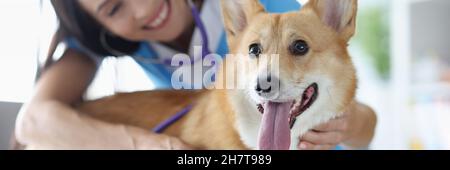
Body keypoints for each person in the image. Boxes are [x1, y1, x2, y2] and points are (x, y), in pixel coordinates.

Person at [14, 0, 376, 150]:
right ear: (101, 29)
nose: (144, 8)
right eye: (115, 7)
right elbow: (33, 121)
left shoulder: (272, 14)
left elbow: (367, 124)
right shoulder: (112, 45)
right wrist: (147, 144)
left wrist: (348, 121)